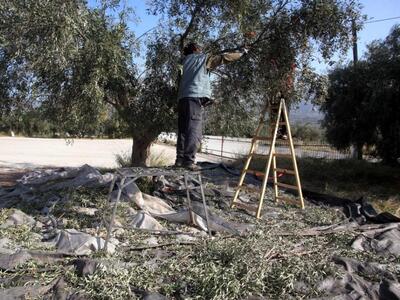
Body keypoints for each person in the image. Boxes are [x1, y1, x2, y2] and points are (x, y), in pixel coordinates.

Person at [175, 42, 248, 170]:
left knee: (183, 130)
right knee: (194, 130)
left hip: (182, 98)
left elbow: (188, 78)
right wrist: (242, 52)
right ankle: (189, 161)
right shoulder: (203, 58)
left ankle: (180, 160)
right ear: (196, 49)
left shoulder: (183, 61)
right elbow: (224, 58)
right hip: (194, 98)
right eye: (200, 48)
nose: (202, 49)